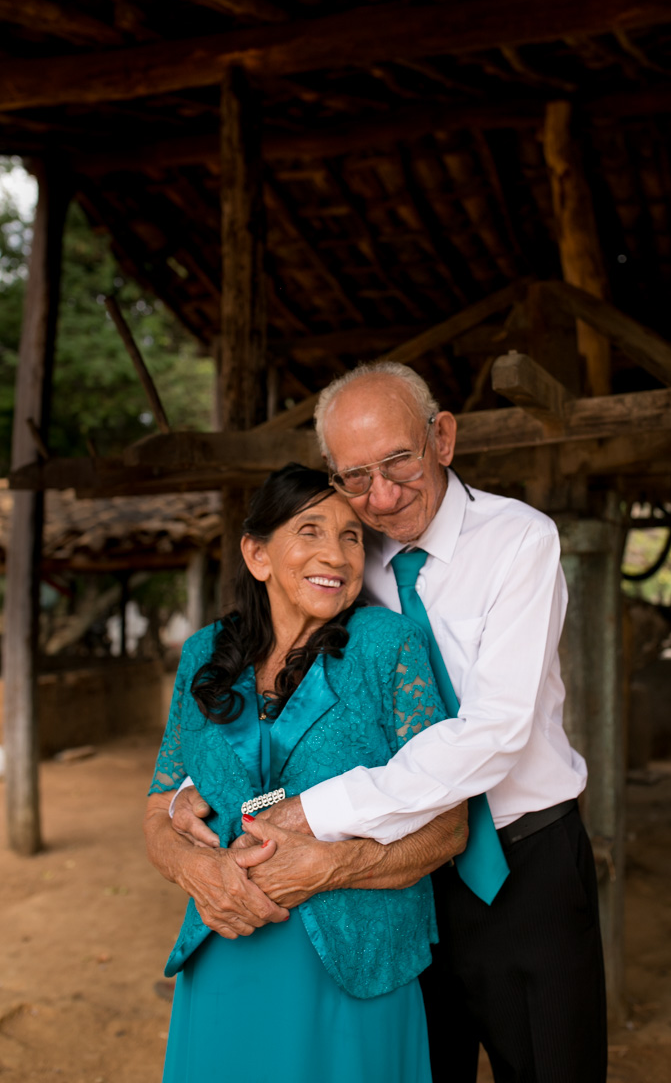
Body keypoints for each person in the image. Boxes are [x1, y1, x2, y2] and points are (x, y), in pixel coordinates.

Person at [165, 361, 608, 1083]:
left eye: (399, 461)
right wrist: (201, 779)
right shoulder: (345, 553)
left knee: (550, 1064)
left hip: (522, 860)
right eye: (355, 476)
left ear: (441, 437)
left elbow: (495, 732)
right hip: (400, 873)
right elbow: (284, 678)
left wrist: (318, 811)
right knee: (418, 1064)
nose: (382, 494)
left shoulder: (517, 540)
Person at [145, 462, 467, 1083]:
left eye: (352, 537)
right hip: (227, 944)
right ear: (257, 554)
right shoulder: (203, 656)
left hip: (357, 964)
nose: (338, 554)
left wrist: (333, 865)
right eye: (311, 531)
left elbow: (450, 826)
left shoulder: (388, 646)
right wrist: (195, 869)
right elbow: (160, 805)